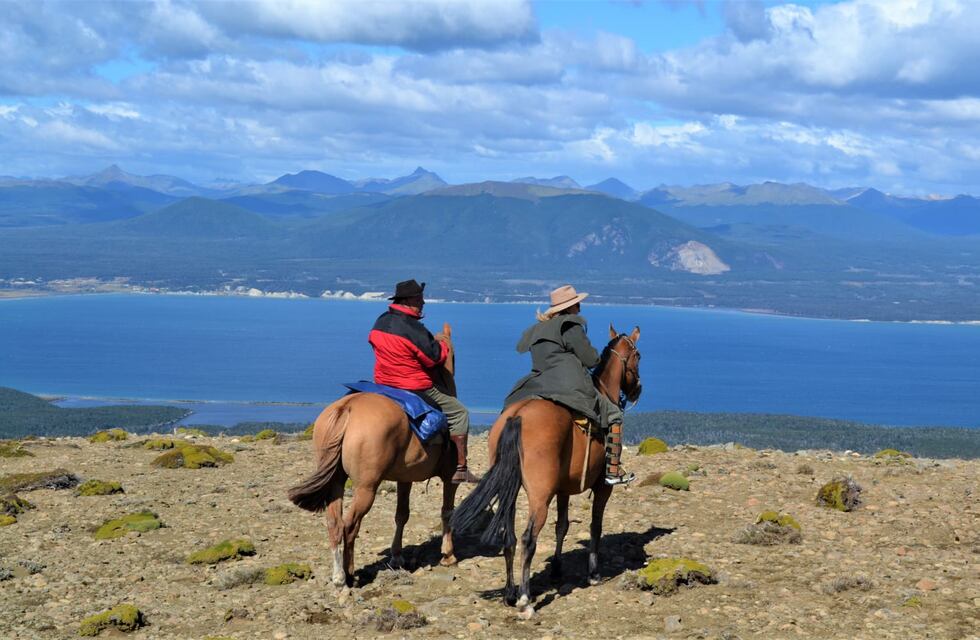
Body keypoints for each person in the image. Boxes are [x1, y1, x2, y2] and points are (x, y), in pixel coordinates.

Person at [503, 285, 634, 485]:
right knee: (615, 415)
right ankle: (612, 471)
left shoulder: (536, 330)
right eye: (577, 303)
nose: (579, 307)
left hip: (536, 383)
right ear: (569, 307)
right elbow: (591, 360)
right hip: (569, 384)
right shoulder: (570, 326)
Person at [368, 279, 479, 484]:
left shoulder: (380, 322)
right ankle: (460, 468)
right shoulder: (413, 329)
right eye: (419, 299)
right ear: (408, 301)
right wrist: (443, 344)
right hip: (413, 386)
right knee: (459, 413)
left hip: (383, 383)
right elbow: (434, 358)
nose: (423, 303)